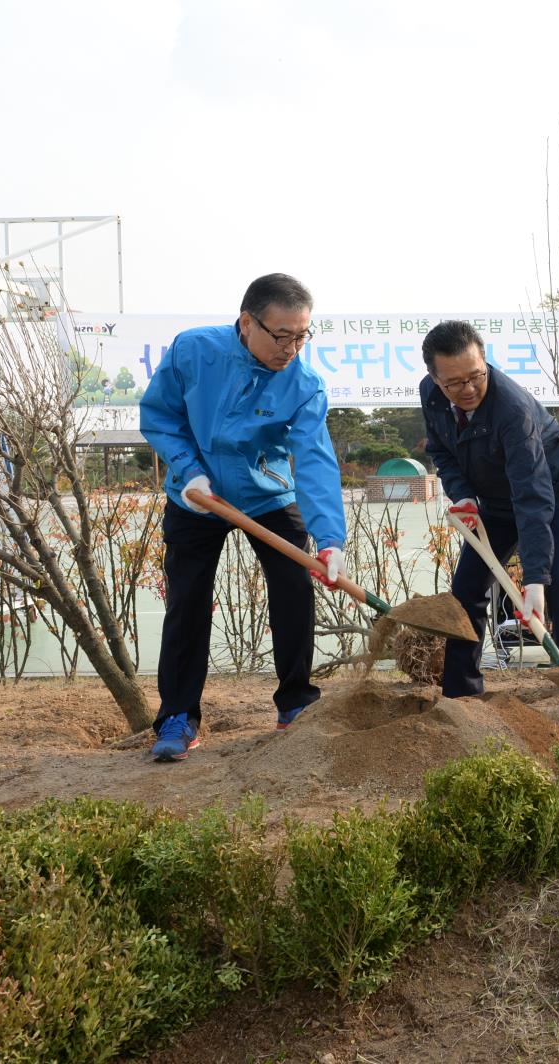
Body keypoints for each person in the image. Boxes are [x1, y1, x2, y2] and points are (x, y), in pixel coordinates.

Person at [140, 273, 347, 762]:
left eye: (302, 336)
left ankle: (295, 701)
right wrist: (188, 472)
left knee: (295, 586)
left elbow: (314, 461)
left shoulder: (304, 385)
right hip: (197, 495)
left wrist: (330, 538)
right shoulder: (194, 351)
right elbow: (159, 416)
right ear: (246, 323)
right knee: (187, 600)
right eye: (282, 335)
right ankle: (178, 715)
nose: (292, 348)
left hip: (266, 496)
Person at [419, 321, 559, 731]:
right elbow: (442, 453)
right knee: (466, 588)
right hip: (493, 499)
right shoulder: (431, 395)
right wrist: (461, 494)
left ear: (486, 362)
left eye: (476, 376)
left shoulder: (511, 409)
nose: (467, 389)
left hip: (553, 486)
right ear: (434, 378)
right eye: (454, 383)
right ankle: (461, 695)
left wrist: (534, 578)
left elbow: (533, 496)